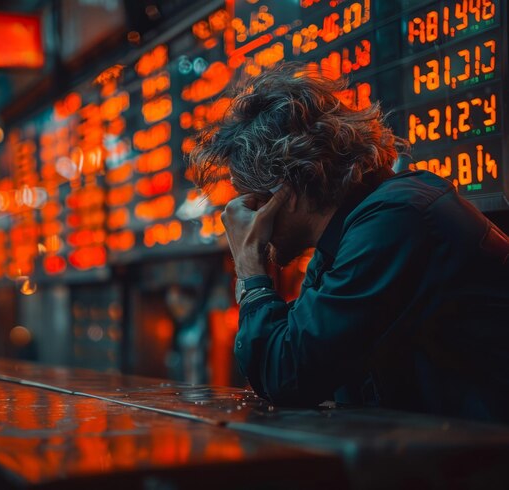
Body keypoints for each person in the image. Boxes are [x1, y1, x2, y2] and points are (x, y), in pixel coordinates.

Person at [189, 62, 509, 423]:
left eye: (249, 200)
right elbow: (292, 362)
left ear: (287, 190)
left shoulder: (397, 218)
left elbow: (287, 377)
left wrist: (249, 267)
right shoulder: (347, 239)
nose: (241, 220)